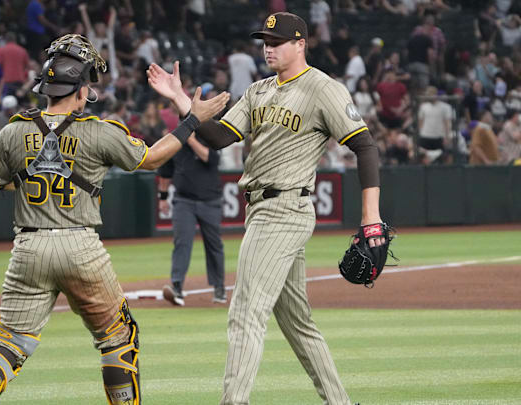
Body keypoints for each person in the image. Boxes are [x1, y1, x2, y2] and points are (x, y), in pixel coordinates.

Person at [0, 34, 228, 405]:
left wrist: (30, 179)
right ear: (82, 92)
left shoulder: (12, 131)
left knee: (8, 342)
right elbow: (151, 159)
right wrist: (192, 119)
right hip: (80, 246)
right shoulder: (100, 131)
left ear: (46, 89)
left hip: (28, 247)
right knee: (117, 336)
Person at [147, 12, 384, 405]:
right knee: (297, 323)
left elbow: (365, 146)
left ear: (300, 44)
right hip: (261, 210)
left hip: (285, 208)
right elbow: (219, 136)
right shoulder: (258, 90)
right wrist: (179, 99)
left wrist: (370, 215)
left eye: (276, 41)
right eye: (265, 41)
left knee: (245, 313)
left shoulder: (323, 88)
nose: (268, 48)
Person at [157, 131, 226, 306]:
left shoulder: (210, 136)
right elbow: (165, 172)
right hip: (183, 200)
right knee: (182, 243)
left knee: (214, 245)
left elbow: (210, 159)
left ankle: (219, 287)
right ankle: (177, 287)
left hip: (210, 200)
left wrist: (191, 140)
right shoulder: (176, 142)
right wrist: (163, 197)